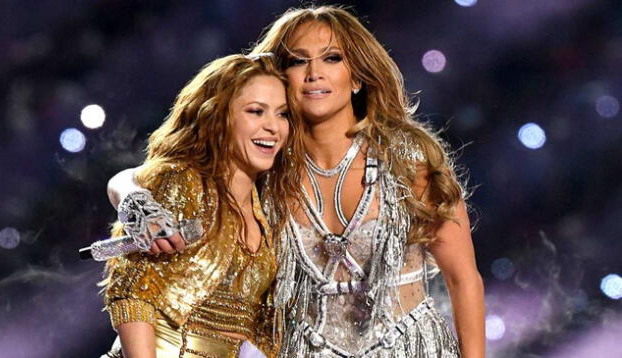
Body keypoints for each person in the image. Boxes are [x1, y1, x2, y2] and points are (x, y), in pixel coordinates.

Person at [107, 5, 485, 358]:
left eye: (331, 58)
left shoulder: (408, 161)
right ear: (279, 75)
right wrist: (134, 200)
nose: (313, 73)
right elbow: (149, 175)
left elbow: (462, 278)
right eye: (297, 61)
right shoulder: (264, 166)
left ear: (357, 76)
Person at [100, 53, 304, 358]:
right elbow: (133, 294)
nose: (273, 127)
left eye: (282, 114)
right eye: (256, 111)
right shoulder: (187, 183)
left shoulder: (267, 212)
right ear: (219, 116)